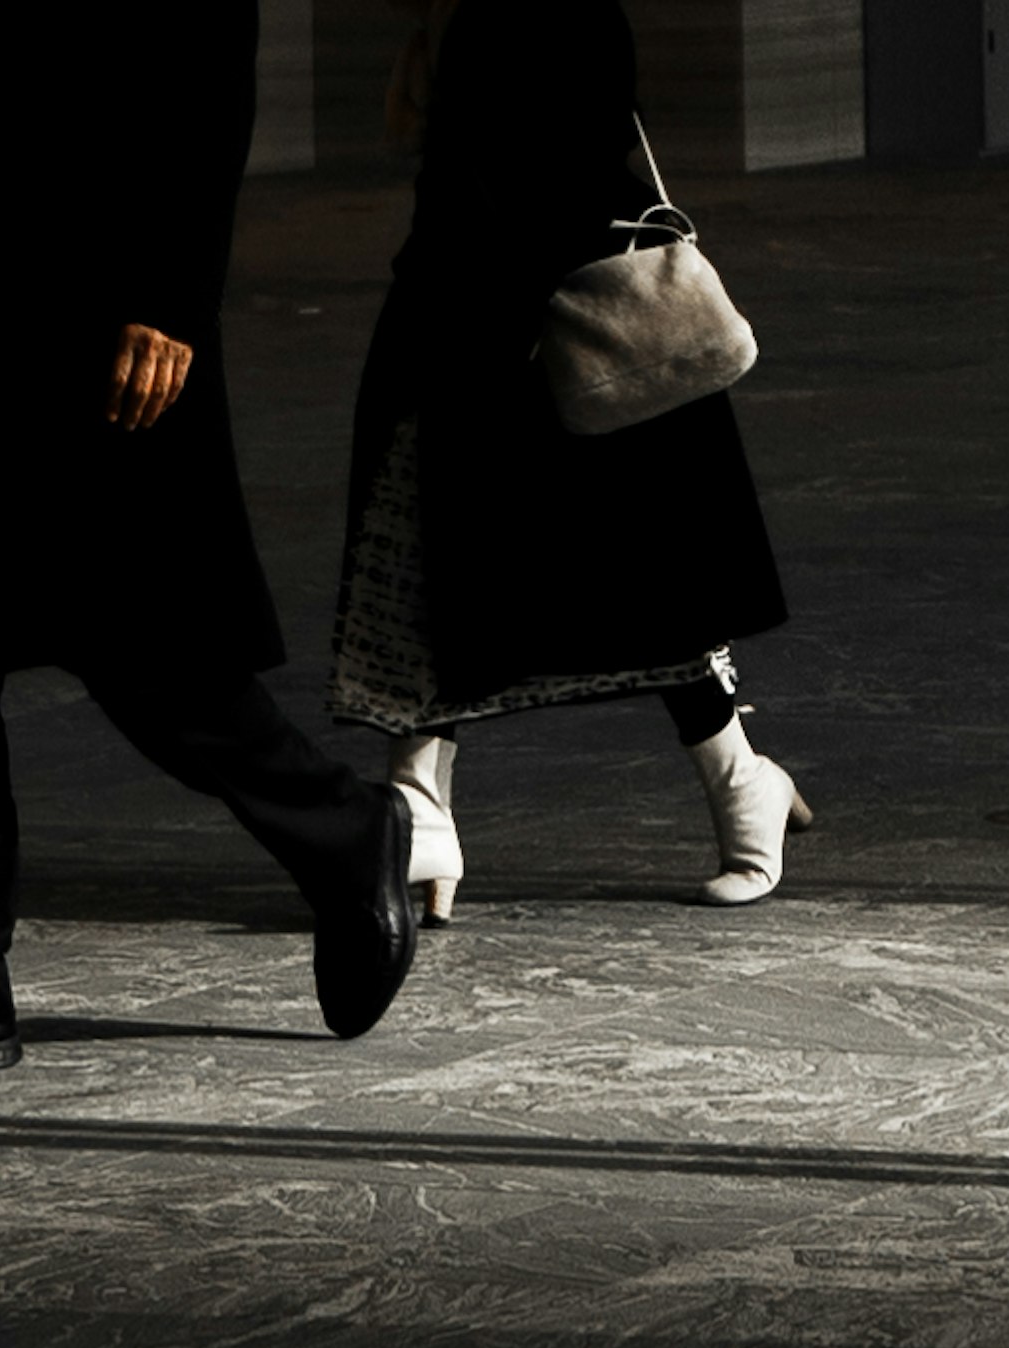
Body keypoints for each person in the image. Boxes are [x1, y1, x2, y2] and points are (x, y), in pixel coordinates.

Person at [0, 0, 417, 1085]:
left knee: (152, 651)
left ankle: (345, 833)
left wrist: (171, 292)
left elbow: (207, 60)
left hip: (102, 301)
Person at [333, 0, 805, 921]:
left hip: (568, 312)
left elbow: (572, 150)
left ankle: (743, 777)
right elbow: (429, 141)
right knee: (438, 564)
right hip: (463, 308)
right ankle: (421, 803)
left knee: (634, 574)